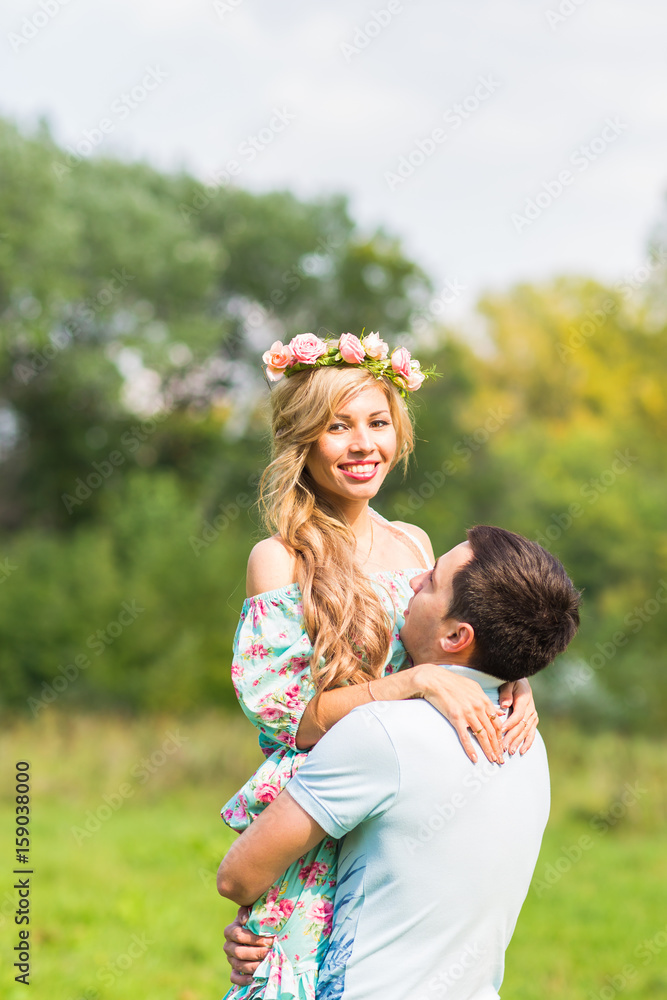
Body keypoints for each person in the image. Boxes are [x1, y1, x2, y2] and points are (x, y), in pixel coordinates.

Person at [220, 331, 539, 998]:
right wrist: (413, 682)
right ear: (301, 439)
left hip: (407, 802)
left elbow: (456, 638)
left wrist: (513, 680)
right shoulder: (279, 558)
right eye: (337, 427)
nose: (363, 444)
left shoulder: (412, 541)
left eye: (377, 423)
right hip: (322, 805)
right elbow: (293, 724)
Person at [218, 525, 581, 999]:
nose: (411, 583)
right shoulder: (530, 746)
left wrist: (269, 929)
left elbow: (237, 877)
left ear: (457, 634)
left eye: (430, 581)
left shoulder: (381, 734)